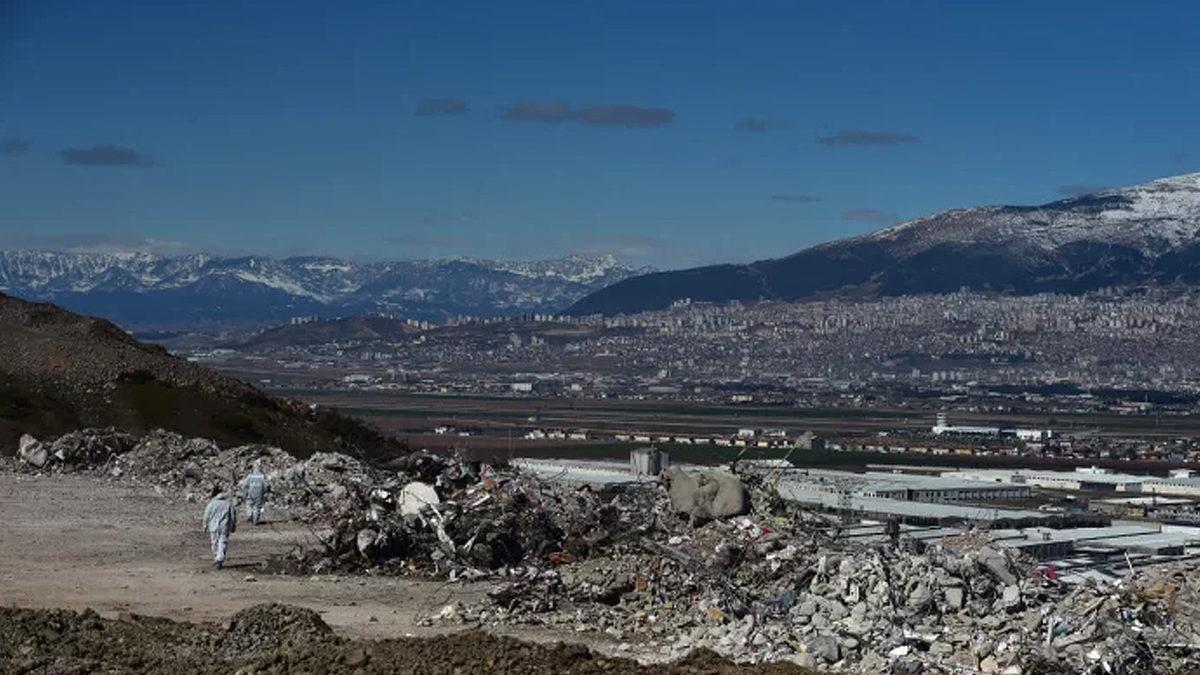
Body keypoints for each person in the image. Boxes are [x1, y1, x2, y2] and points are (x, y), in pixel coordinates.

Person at [203, 484, 236, 569]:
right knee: (222, 542)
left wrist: (205, 525)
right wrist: (233, 525)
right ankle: (219, 558)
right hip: (224, 526)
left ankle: (217, 558)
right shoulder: (228, 503)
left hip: (213, 526)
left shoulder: (212, 504)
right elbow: (232, 516)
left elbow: (206, 515)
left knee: (214, 543)